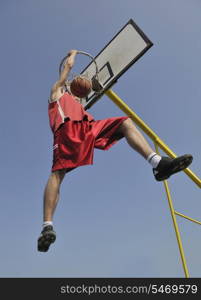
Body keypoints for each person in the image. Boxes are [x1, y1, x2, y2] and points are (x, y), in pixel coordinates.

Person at [37, 49, 193, 252]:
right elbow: (67, 69)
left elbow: (82, 94)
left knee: (125, 123)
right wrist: (73, 54)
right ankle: (47, 226)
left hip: (87, 129)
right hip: (66, 130)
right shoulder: (56, 92)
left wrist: (90, 86)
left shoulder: (77, 104)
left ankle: (158, 164)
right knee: (57, 174)